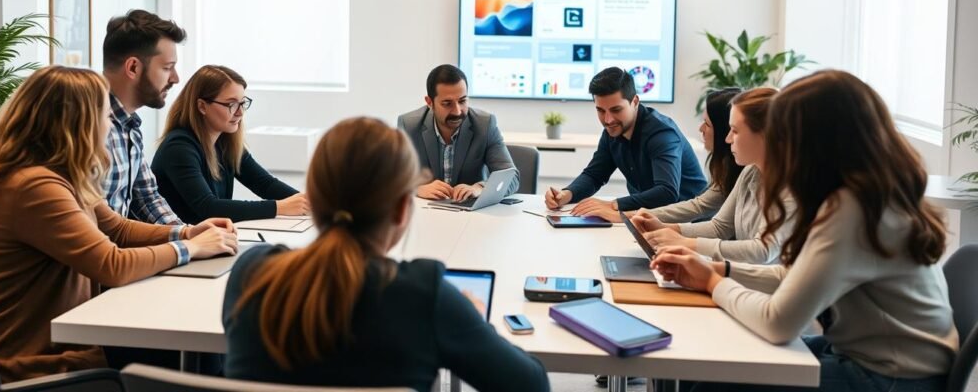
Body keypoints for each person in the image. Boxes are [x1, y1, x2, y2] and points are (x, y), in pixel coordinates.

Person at [651, 70, 957, 392]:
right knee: (704, 363)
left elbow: (777, 322)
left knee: (713, 384)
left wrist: (712, 281)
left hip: (891, 377)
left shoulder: (854, 208)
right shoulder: (864, 193)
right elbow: (796, 277)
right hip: (868, 358)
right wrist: (717, 268)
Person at [0, 66, 237, 383]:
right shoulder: (33, 186)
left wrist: (186, 231)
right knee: (203, 354)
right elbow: (111, 264)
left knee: (202, 352)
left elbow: (119, 229)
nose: (109, 125)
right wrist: (190, 248)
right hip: (34, 361)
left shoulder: (58, 175)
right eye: (104, 115)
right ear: (77, 123)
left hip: (64, 341)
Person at [222, 117, 549, 391]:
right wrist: (471, 320)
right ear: (403, 210)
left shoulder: (251, 273)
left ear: (316, 202)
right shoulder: (425, 294)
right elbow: (533, 385)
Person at [632, 88, 795, 264]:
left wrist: (687, 243)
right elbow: (719, 227)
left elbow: (762, 251)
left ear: (765, 134)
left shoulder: (791, 187)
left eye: (735, 130)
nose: (728, 139)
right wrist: (666, 228)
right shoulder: (750, 171)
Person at [152, 65, 308, 224]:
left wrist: (311, 204)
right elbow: (209, 208)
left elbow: (265, 184)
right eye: (231, 104)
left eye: (242, 103)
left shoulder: (225, 142)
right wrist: (278, 207)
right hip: (178, 244)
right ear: (202, 106)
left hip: (208, 240)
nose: (240, 112)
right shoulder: (178, 147)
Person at [546, 67, 707, 220]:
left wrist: (612, 205)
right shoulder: (612, 131)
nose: (608, 120)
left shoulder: (662, 134)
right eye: (601, 111)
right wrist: (567, 194)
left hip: (690, 222)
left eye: (616, 110)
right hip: (648, 218)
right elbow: (594, 175)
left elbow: (667, 192)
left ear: (635, 101)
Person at [101, 9, 187, 228]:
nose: (176, 79)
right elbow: (101, 228)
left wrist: (190, 234)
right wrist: (186, 241)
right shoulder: (87, 127)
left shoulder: (130, 125)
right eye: (168, 68)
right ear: (133, 68)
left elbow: (147, 199)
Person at [397, 64, 519, 201]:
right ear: (430, 102)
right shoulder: (408, 125)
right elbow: (388, 179)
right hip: (428, 213)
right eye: (447, 103)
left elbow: (511, 178)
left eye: (462, 101)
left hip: (472, 215)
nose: (457, 111)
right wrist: (416, 188)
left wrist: (479, 188)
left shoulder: (485, 125)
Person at [640, 88, 744, 224]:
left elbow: (704, 214)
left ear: (723, 130)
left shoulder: (746, 171)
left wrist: (634, 214)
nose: (701, 129)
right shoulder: (726, 168)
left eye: (707, 124)